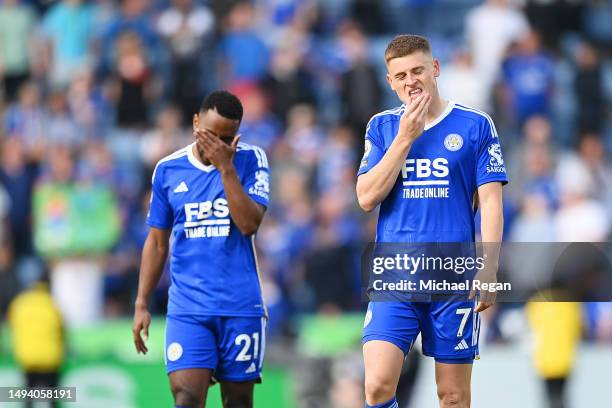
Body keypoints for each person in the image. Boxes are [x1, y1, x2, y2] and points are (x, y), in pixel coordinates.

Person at [356, 35, 507, 408]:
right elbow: (366, 197)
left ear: (435, 69)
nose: (411, 81)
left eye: (418, 70)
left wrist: (489, 270)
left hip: (453, 278)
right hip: (395, 275)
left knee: (452, 396)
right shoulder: (382, 127)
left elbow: (490, 203)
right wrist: (405, 139)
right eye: (401, 75)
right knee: (377, 385)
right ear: (390, 82)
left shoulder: (475, 125)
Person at [132, 90, 270, 408]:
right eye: (211, 134)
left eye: (227, 137)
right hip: (188, 308)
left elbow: (249, 224)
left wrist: (226, 169)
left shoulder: (251, 160)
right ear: (195, 123)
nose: (218, 145)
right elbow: (156, 242)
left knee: (237, 402)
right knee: (187, 398)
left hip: (240, 306)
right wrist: (141, 303)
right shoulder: (168, 170)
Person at [8, 273, 65, 408]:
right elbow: (62, 329)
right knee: (52, 399)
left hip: (28, 359)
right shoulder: (53, 304)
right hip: (51, 359)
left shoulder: (19, 303)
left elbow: (12, 326)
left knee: (29, 398)